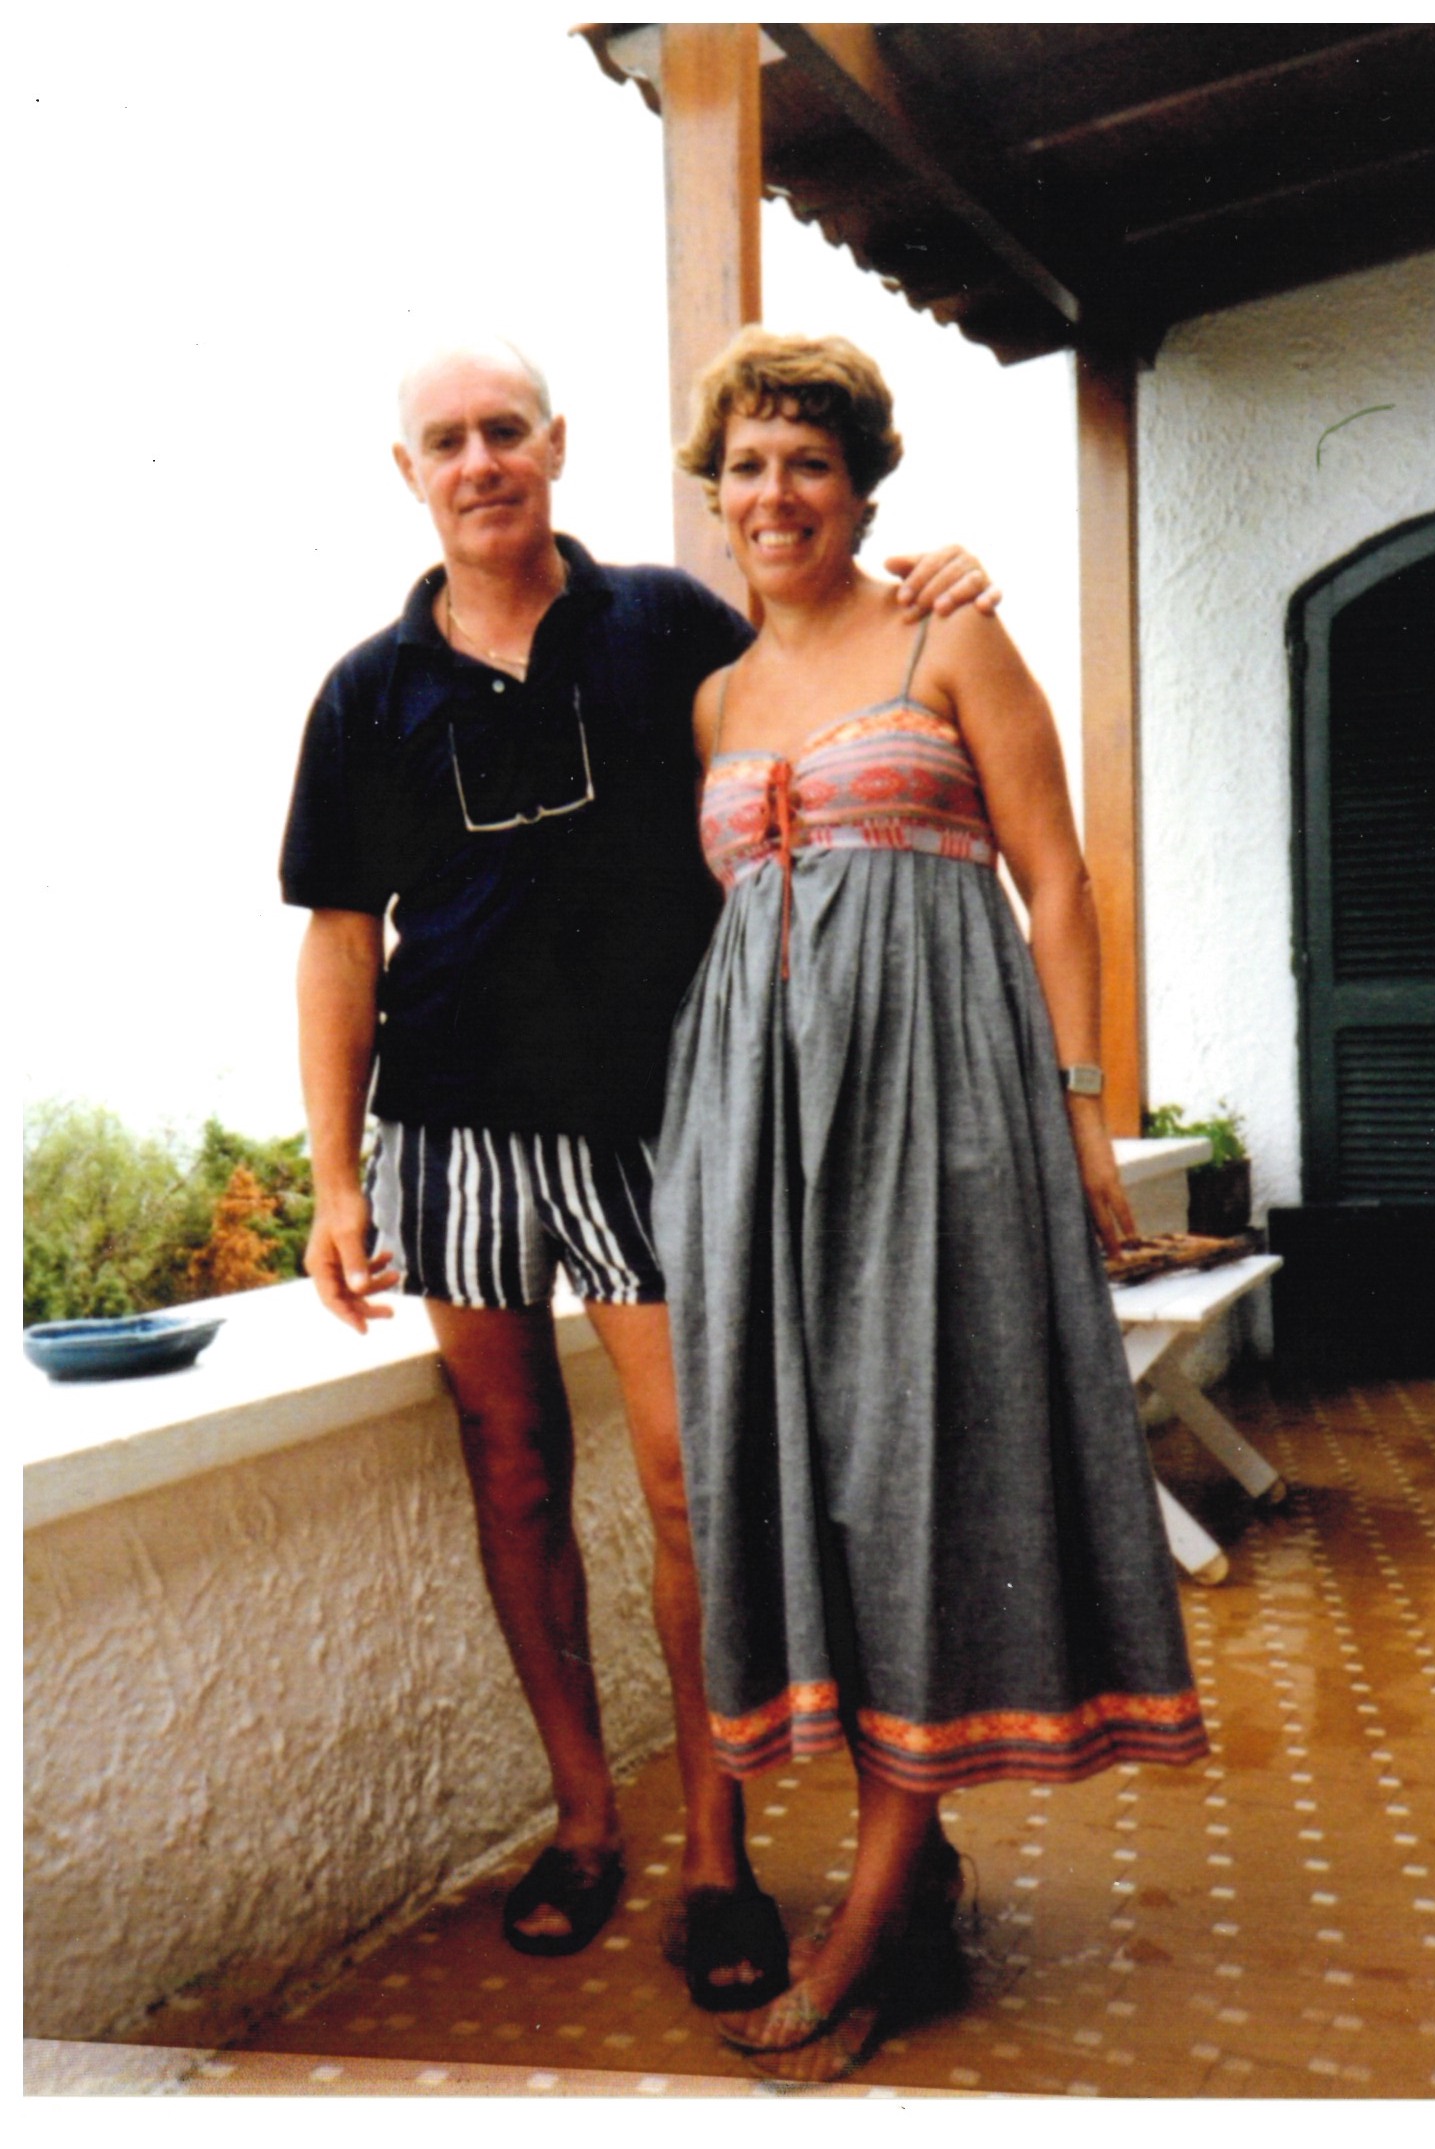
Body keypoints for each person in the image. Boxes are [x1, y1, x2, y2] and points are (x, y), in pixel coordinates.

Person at [279, 332, 998, 2002]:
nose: (480, 460)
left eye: (505, 429)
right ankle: (586, 1817)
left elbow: (827, 677)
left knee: (693, 1484)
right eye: (447, 439)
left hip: (660, 1118)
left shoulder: (667, 624)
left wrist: (942, 584)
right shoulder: (369, 691)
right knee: (514, 1471)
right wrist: (336, 1181)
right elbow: (340, 937)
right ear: (410, 473)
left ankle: (715, 1852)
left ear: (555, 446)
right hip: (448, 1133)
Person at [651, 328, 1209, 2081]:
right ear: (716, 494)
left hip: (941, 1127)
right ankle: (917, 1869)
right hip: (758, 1154)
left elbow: (1057, 878)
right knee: (813, 1496)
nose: (776, 494)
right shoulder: (713, 701)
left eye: (809, 463)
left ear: (862, 486)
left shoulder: (945, 633)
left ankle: (874, 1914)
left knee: (920, 1485)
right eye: (748, 465)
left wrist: (1083, 1111)